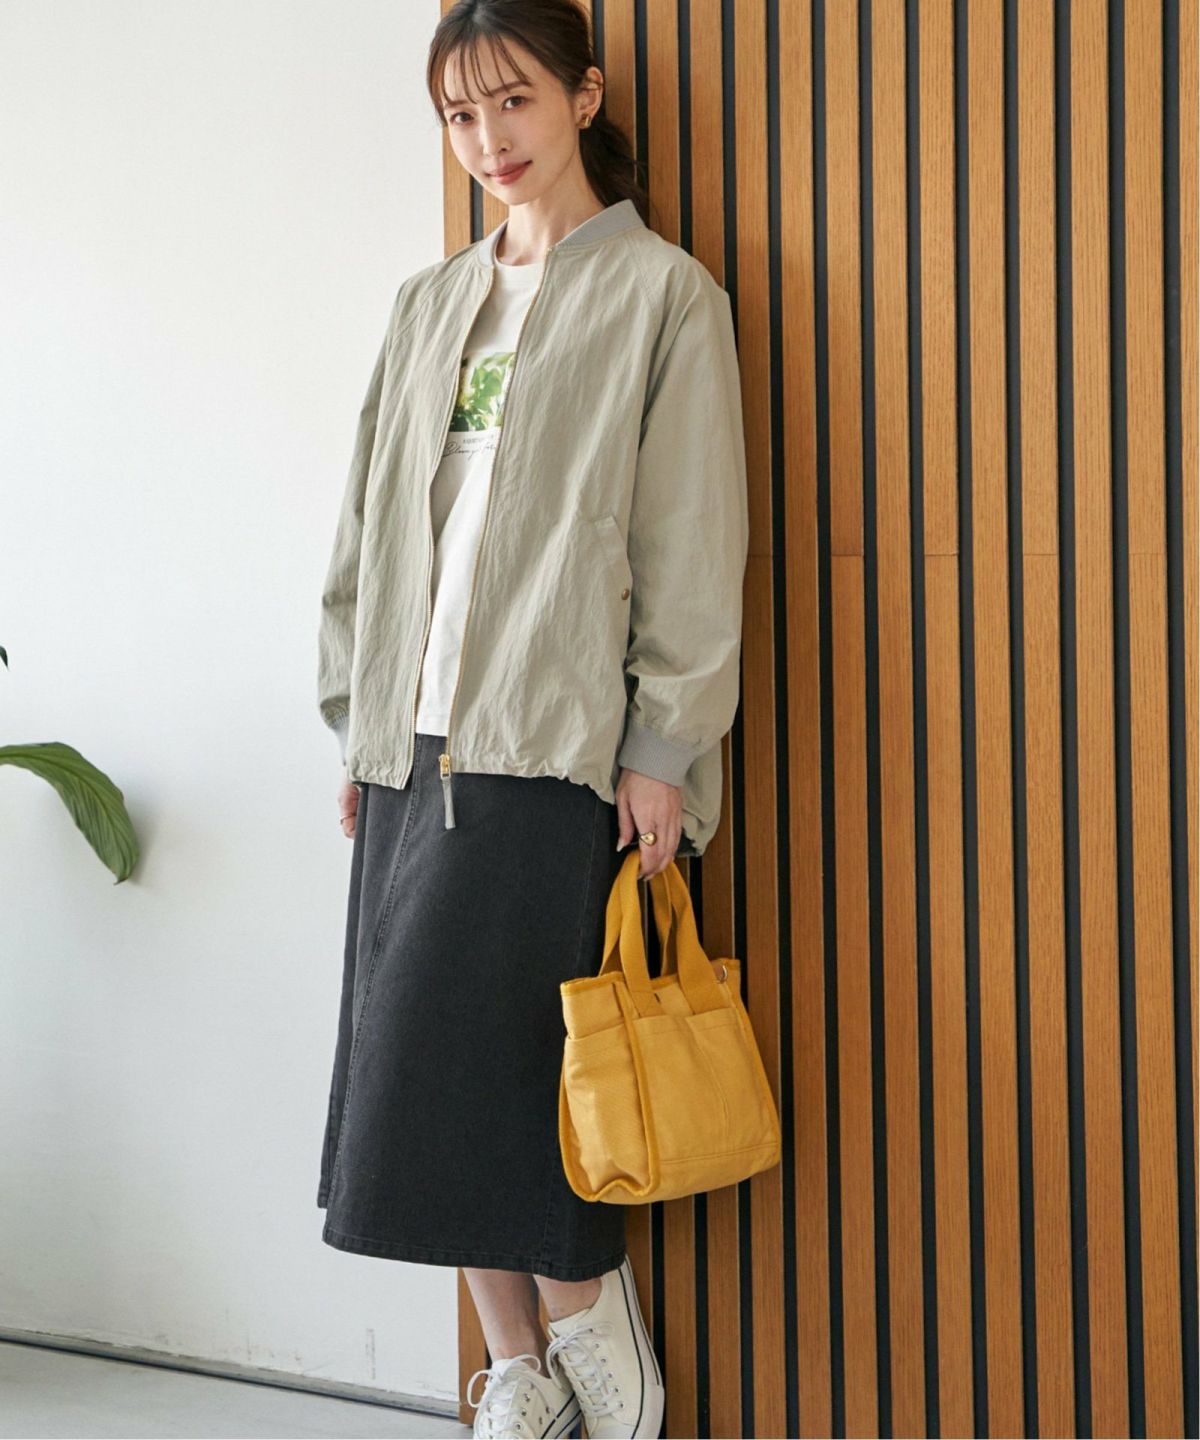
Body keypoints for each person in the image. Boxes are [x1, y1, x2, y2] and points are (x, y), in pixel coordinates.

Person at [314, 2, 748, 1436]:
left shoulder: (662, 296)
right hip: (414, 741)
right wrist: (361, 716)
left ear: (583, 97)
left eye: (513, 101)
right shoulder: (430, 304)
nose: (489, 139)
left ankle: (587, 1322)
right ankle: (516, 1372)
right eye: (461, 114)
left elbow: (692, 539)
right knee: (417, 1069)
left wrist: (664, 747)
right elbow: (369, 527)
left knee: (515, 1062)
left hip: (554, 745)